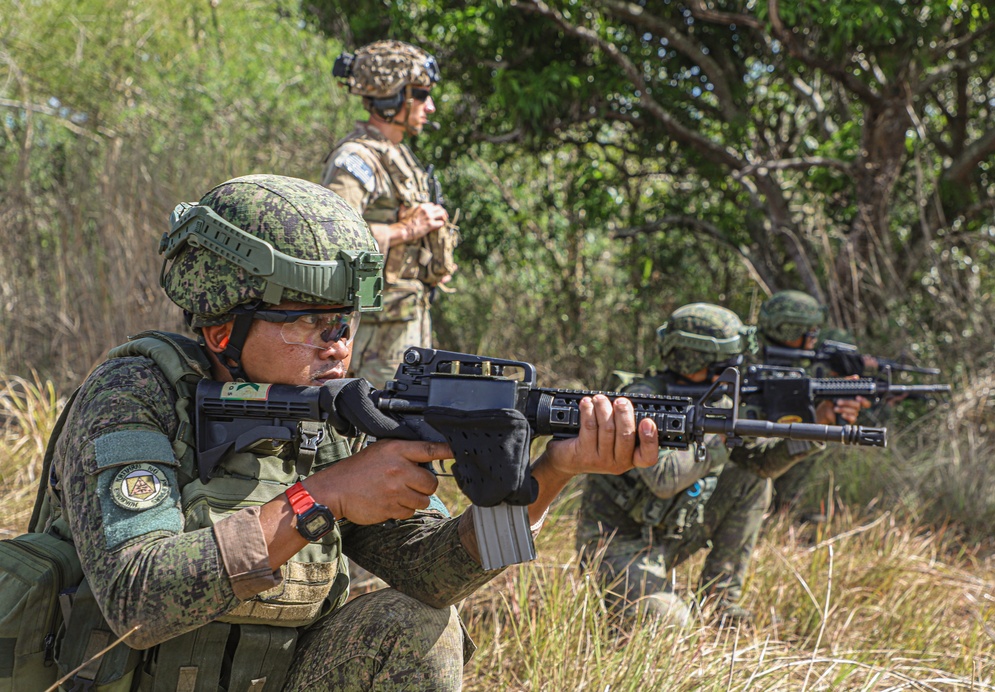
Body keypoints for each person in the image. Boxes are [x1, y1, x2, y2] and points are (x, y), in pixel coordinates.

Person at [38, 175, 658, 690]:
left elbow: (432, 574)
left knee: (419, 625)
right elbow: (137, 601)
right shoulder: (135, 394)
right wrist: (322, 497)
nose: (338, 345)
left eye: (346, 322)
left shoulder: (330, 414)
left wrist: (552, 473)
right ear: (224, 328)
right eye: (310, 322)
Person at [576, 303, 866, 626]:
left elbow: (760, 464)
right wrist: (729, 431)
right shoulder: (641, 399)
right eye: (726, 362)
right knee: (670, 622)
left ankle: (719, 605)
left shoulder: (718, 399)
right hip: (614, 547)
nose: (734, 368)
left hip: (669, 536)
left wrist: (818, 425)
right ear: (696, 358)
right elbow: (663, 478)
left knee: (752, 481)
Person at [322, 39, 457, 388]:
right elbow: (334, 239)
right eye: (422, 95)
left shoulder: (398, 157)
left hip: (405, 323)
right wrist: (407, 230)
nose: (431, 107)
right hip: (372, 338)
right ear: (393, 97)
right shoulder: (356, 159)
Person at [756, 291, 873, 516]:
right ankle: (776, 510)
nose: (814, 337)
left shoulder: (798, 360)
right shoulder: (753, 358)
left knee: (813, 437)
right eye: (810, 331)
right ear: (787, 330)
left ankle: (783, 510)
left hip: (763, 461)